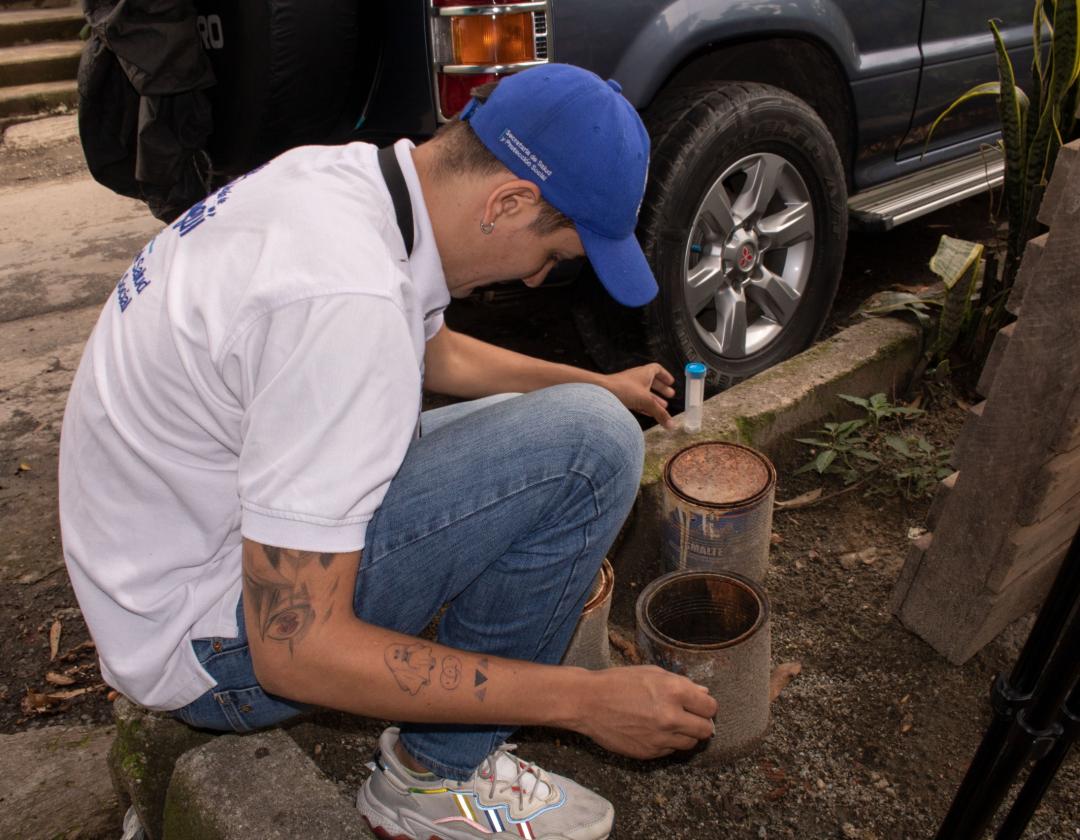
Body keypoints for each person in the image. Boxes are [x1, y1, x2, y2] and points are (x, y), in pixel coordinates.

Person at [58, 64, 718, 840]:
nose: (544, 279)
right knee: (592, 450)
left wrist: (595, 382)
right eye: (561, 252)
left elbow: (436, 355)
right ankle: (432, 783)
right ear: (508, 202)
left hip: (168, 564)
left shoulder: (350, 186)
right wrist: (578, 700)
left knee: (581, 421)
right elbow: (294, 653)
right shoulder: (346, 305)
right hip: (212, 649)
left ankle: (439, 763)